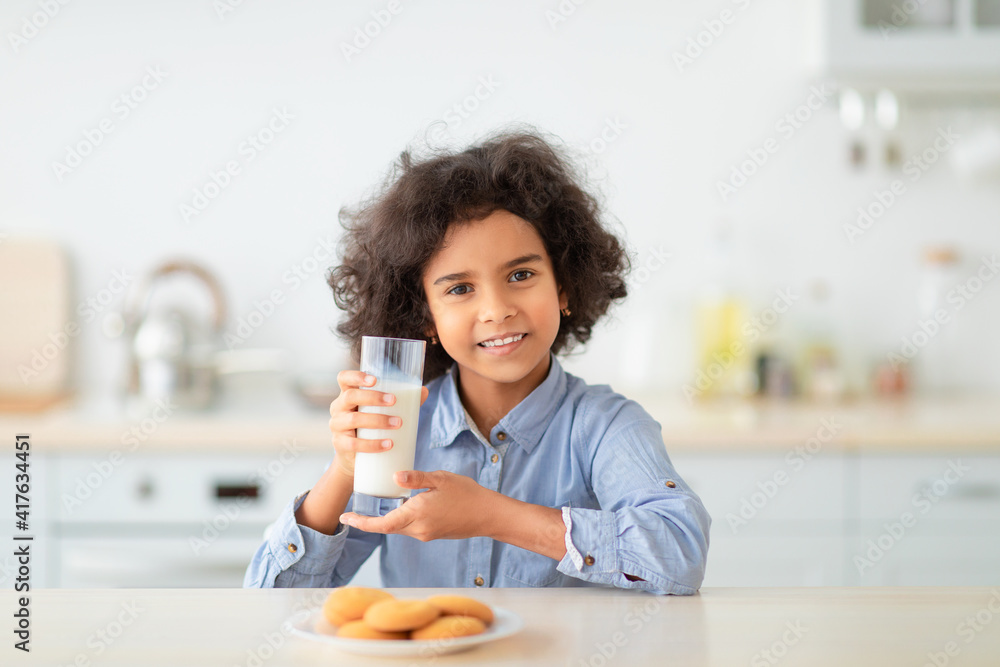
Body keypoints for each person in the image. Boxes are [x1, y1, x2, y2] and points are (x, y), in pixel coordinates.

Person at [243, 128, 710, 595]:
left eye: (521, 274)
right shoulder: (400, 430)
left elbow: (680, 554)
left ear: (564, 286)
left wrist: (493, 515)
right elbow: (273, 602)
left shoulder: (606, 427)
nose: (496, 309)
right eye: (460, 289)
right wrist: (345, 470)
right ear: (424, 316)